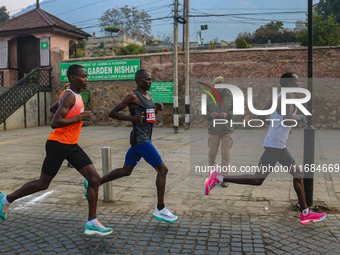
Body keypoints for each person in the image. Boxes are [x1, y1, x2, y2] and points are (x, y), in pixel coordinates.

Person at [0, 64, 112, 236]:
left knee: (95, 179)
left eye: (86, 76)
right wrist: (79, 117)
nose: (86, 79)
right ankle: (6, 199)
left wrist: (66, 109)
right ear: (73, 78)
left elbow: (54, 109)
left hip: (71, 145)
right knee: (42, 184)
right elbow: (55, 122)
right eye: (83, 76)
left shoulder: (72, 94)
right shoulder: (69, 96)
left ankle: (92, 223)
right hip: (58, 144)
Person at [204, 72, 326, 225]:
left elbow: (261, 117)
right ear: (289, 84)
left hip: (279, 145)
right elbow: (288, 119)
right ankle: (218, 178)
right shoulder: (287, 97)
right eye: (297, 81)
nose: (300, 83)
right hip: (274, 145)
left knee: (298, 173)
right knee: (257, 179)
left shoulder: (279, 96)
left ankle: (305, 212)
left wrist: (278, 123)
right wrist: (302, 118)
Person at [84, 69, 178, 223]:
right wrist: (131, 118)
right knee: (163, 170)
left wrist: (156, 110)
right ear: (138, 80)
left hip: (143, 138)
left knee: (125, 171)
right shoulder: (133, 96)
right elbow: (112, 113)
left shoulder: (149, 96)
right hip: (141, 140)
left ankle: (94, 182)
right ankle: (160, 209)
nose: (150, 82)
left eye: (151, 79)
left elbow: (147, 117)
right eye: (146, 80)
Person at [206, 76, 233, 187]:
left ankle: (224, 177)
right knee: (212, 154)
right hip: (214, 129)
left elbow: (236, 111)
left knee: (226, 154)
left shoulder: (229, 95)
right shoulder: (209, 97)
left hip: (227, 129)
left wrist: (228, 115)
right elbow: (204, 112)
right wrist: (210, 115)